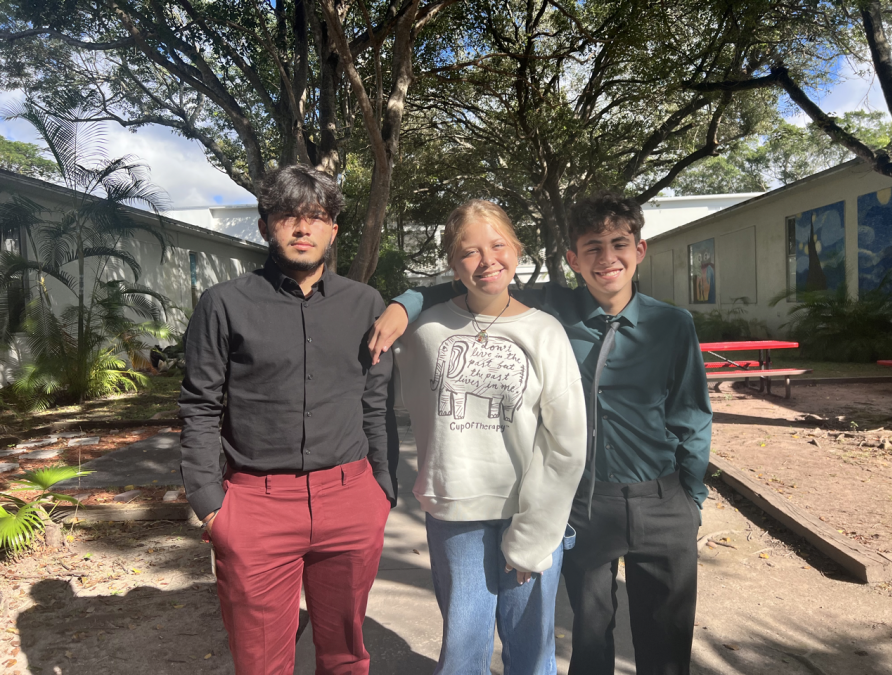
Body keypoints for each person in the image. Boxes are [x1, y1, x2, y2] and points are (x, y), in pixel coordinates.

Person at [370, 190, 712, 675]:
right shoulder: (551, 308)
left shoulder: (671, 324)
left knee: (666, 642)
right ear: (572, 259)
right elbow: (467, 285)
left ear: (640, 249)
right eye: (592, 247)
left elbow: (691, 414)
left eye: (619, 244)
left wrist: (692, 500)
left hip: (661, 499)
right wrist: (404, 303)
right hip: (589, 502)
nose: (607, 258)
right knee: (589, 640)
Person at [179, 165, 395, 675]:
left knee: (346, 657)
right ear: (265, 226)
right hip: (256, 507)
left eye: (317, 217)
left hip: (350, 500)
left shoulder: (365, 304)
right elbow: (200, 405)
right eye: (288, 216)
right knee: (260, 664)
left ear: (333, 230)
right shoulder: (224, 305)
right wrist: (211, 504)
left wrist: (382, 488)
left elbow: (374, 401)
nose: (303, 228)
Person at [391, 200, 586, 674]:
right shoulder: (426, 331)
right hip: (456, 515)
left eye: (498, 245)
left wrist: (533, 536)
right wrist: (403, 302)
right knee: (461, 655)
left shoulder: (545, 333)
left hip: (530, 515)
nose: (487, 260)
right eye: (469, 252)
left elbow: (566, 443)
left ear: (517, 250)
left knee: (532, 655)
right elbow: (402, 401)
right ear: (453, 265)